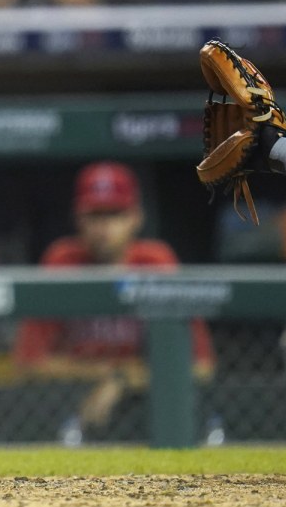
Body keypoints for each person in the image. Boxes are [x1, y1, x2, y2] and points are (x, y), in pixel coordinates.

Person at [13, 162, 215, 441]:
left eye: (115, 214)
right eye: (95, 215)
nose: (104, 227)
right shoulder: (62, 262)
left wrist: (121, 381)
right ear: (79, 219)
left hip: (145, 402)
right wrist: (106, 376)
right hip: (72, 402)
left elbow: (201, 367)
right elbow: (27, 362)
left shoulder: (155, 261)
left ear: (136, 218)